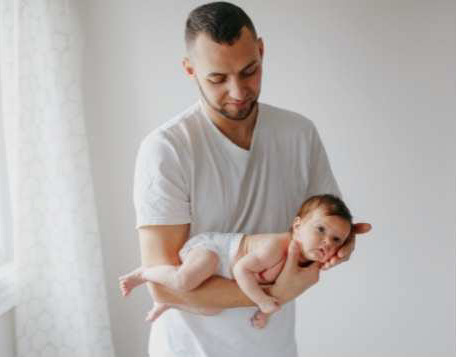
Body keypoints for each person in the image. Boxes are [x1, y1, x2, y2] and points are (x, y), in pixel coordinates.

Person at [133, 2, 371, 356]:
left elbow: (323, 227)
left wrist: (342, 243)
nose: (238, 91)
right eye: (217, 78)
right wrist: (278, 292)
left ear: (261, 50)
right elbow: (164, 287)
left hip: (273, 345)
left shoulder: (299, 134)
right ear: (189, 70)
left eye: (250, 71)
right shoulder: (166, 149)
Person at [121, 194, 354, 329]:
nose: (326, 242)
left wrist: (266, 311)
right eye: (320, 230)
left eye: (336, 239)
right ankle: (144, 273)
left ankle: (170, 303)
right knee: (185, 281)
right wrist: (262, 302)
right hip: (214, 251)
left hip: (224, 272)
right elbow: (243, 270)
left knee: (211, 309)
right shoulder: (277, 246)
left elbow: (277, 290)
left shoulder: (304, 267)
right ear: (297, 225)